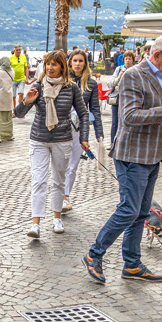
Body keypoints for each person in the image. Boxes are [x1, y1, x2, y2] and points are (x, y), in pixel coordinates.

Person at [83, 34, 162, 283]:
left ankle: (132, 265)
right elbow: (130, 116)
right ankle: (95, 254)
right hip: (132, 155)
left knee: (141, 212)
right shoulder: (133, 75)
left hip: (153, 155)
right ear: (157, 55)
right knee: (129, 210)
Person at [14, 50, 89, 238]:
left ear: (62, 67)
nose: (50, 68)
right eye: (48, 64)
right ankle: (35, 224)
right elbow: (19, 114)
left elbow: (83, 114)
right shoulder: (38, 86)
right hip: (38, 139)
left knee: (58, 180)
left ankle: (57, 218)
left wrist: (84, 138)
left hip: (62, 139)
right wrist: (26, 101)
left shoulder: (71, 88)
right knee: (39, 180)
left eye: (54, 64)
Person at [63, 50, 103, 213]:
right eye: (75, 61)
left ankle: (65, 197)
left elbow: (94, 109)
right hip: (62, 128)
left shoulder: (91, 84)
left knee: (72, 165)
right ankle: (59, 195)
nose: (78, 64)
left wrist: (99, 134)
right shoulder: (63, 80)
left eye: (81, 61)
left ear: (85, 63)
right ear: (70, 62)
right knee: (60, 164)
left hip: (79, 129)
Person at [107, 49, 136, 147]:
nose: (127, 61)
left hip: (129, 99)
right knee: (115, 121)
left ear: (133, 60)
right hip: (118, 97)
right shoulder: (119, 69)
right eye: (126, 59)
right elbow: (110, 83)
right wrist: (119, 77)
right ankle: (113, 142)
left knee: (127, 120)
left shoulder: (135, 70)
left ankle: (125, 142)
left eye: (129, 59)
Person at [8, 44, 29, 109]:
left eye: (19, 50)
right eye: (17, 50)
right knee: (13, 96)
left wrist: (27, 78)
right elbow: (8, 69)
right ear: (14, 50)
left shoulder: (23, 57)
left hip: (21, 79)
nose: (18, 51)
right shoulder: (11, 58)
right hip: (13, 79)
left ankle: (19, 109)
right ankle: (14, 110)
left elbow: (26, 68)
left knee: (21, 94)